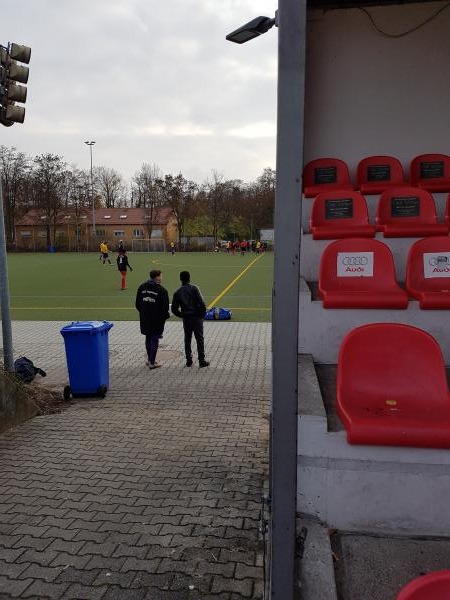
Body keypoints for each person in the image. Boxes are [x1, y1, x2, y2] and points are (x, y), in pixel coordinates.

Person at [171, 271, 209, 368]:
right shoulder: (194, 288)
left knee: (187, 339)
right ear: (189, 278)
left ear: (180, 279)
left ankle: (189, 360)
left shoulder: (177, 292)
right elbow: (202, 304)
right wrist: (201, 315)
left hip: (187, 319)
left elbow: (174, 309)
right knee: (199, 338)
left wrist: (182, 315)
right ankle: (201, 360)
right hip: (197, 318)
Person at [135, 269, 170, 369]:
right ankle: (152, 362)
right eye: (161, 276)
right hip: (156, 319)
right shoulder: (162, 290)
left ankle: (150, 359)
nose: (162, 278)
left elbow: (137, 304)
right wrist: (165, 317)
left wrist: (144, 312)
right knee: (154, 339)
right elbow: (165, 308)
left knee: (148, 337)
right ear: (157, 277)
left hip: (145, 318)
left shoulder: (142, 287)